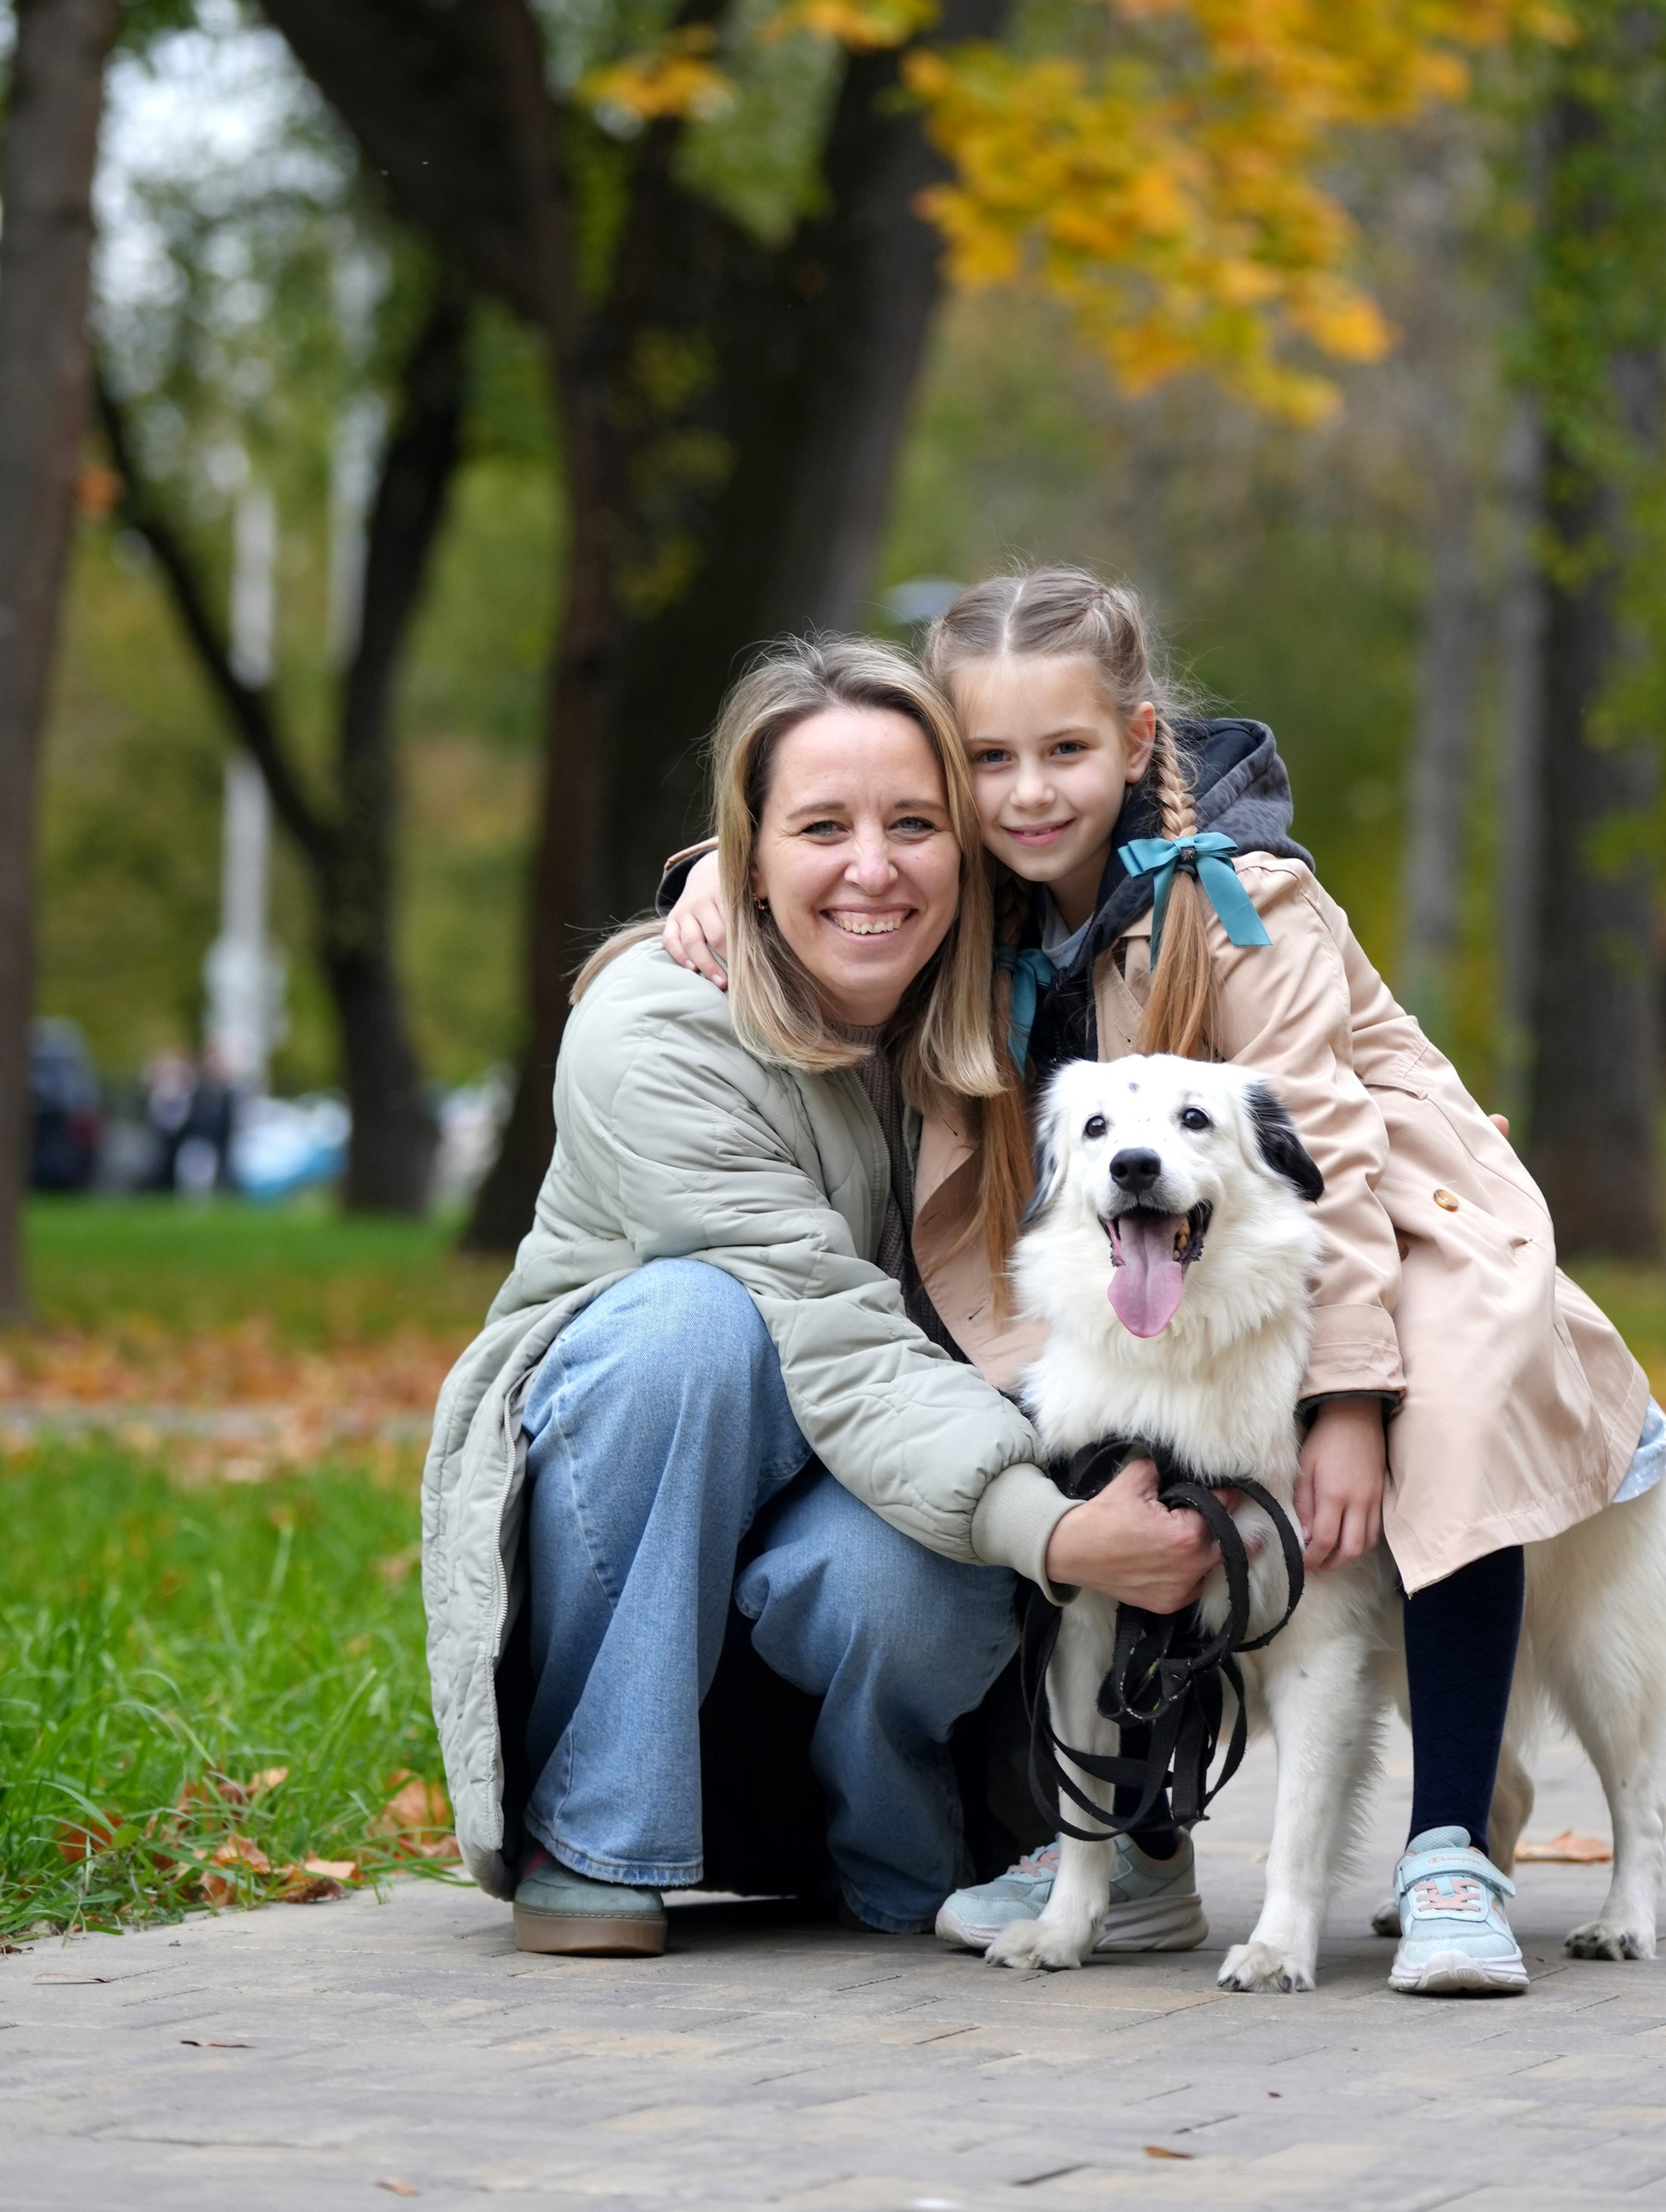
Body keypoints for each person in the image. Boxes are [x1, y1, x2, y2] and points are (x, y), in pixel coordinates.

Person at [663, 567, 1656, 1994]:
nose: (1026, 794)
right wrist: (714, 870)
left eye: (1063, 753)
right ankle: (1126, 1848)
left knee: (1442, 1427)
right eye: (988, 760)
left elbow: (1334, 1151)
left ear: (1136, 741)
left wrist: (1352, 1398)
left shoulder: (1245, 902)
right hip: (1146, 1239)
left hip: (1373, 1210)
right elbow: (837, 858)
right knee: (1104, 1467)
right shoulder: (980, 911)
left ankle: (1448, 1849)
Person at [423, 636, 1230, 1957]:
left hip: (867, 1466)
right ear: (746, 856)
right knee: (698, 1324)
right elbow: (827, 1333)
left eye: (915, 823)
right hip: (642, 1459)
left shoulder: (1011, 1008)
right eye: (820, 830)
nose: (873, 868)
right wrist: (1053, 1532)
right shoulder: (656, 1028)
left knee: (905, 1584)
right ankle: (598, 1834)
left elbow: (1178, 814)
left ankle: (904, 1864)